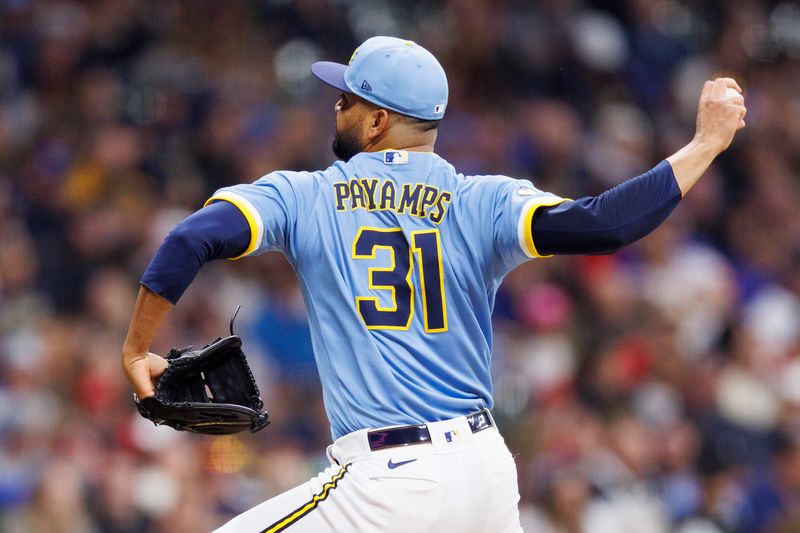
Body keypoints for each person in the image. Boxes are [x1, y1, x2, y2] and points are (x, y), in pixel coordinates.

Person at [121, 36, 746, 532]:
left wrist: (134, 349)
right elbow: (606, 225)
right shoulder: (484, 201)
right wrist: (704, 145)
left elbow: (189, 239)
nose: (335, 106)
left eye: (347, 99)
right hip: (485, 473)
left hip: (391, 480)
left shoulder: (305, 195)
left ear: (377, 123)